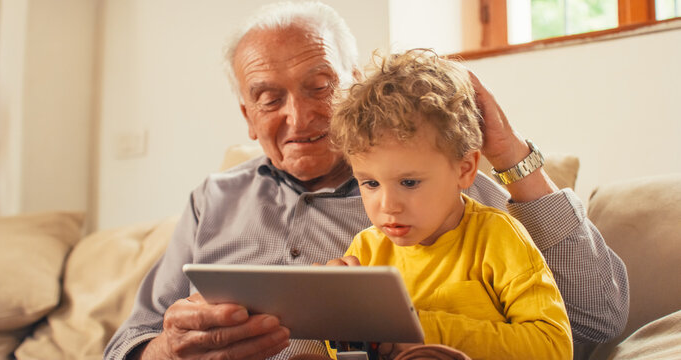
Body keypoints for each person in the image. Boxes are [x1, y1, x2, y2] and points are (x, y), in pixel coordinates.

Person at [104, 2, 628, 359]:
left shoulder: (444, 188)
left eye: (320, 86)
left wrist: (510, 155)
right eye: (269, 98)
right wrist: (168, 349)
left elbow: (594, 318)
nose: (300, 115)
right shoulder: (213, 199)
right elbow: (129, 341)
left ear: (355, 86)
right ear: (247, 115)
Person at [324, 49, 572, 359]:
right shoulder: (366, 251)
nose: (388, 205)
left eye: (409, 182)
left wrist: (419, 330)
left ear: (464, 169)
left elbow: (553, 348)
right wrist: (336, 320)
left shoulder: (497, 237)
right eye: (370, 183)